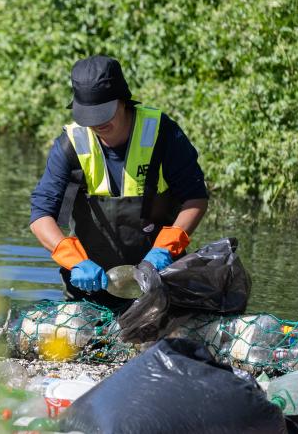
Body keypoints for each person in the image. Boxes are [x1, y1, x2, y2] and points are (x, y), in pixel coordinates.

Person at [29, 55, 208, 310]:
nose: (97, 123)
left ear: (123, 100)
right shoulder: (70, 144)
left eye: (104, 113)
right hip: (90, 287)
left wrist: (165, 250)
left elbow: (195, 198)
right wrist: (75, 261)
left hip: (156, 281)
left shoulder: (161, 132)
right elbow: (40, 216)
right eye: (89, 115)